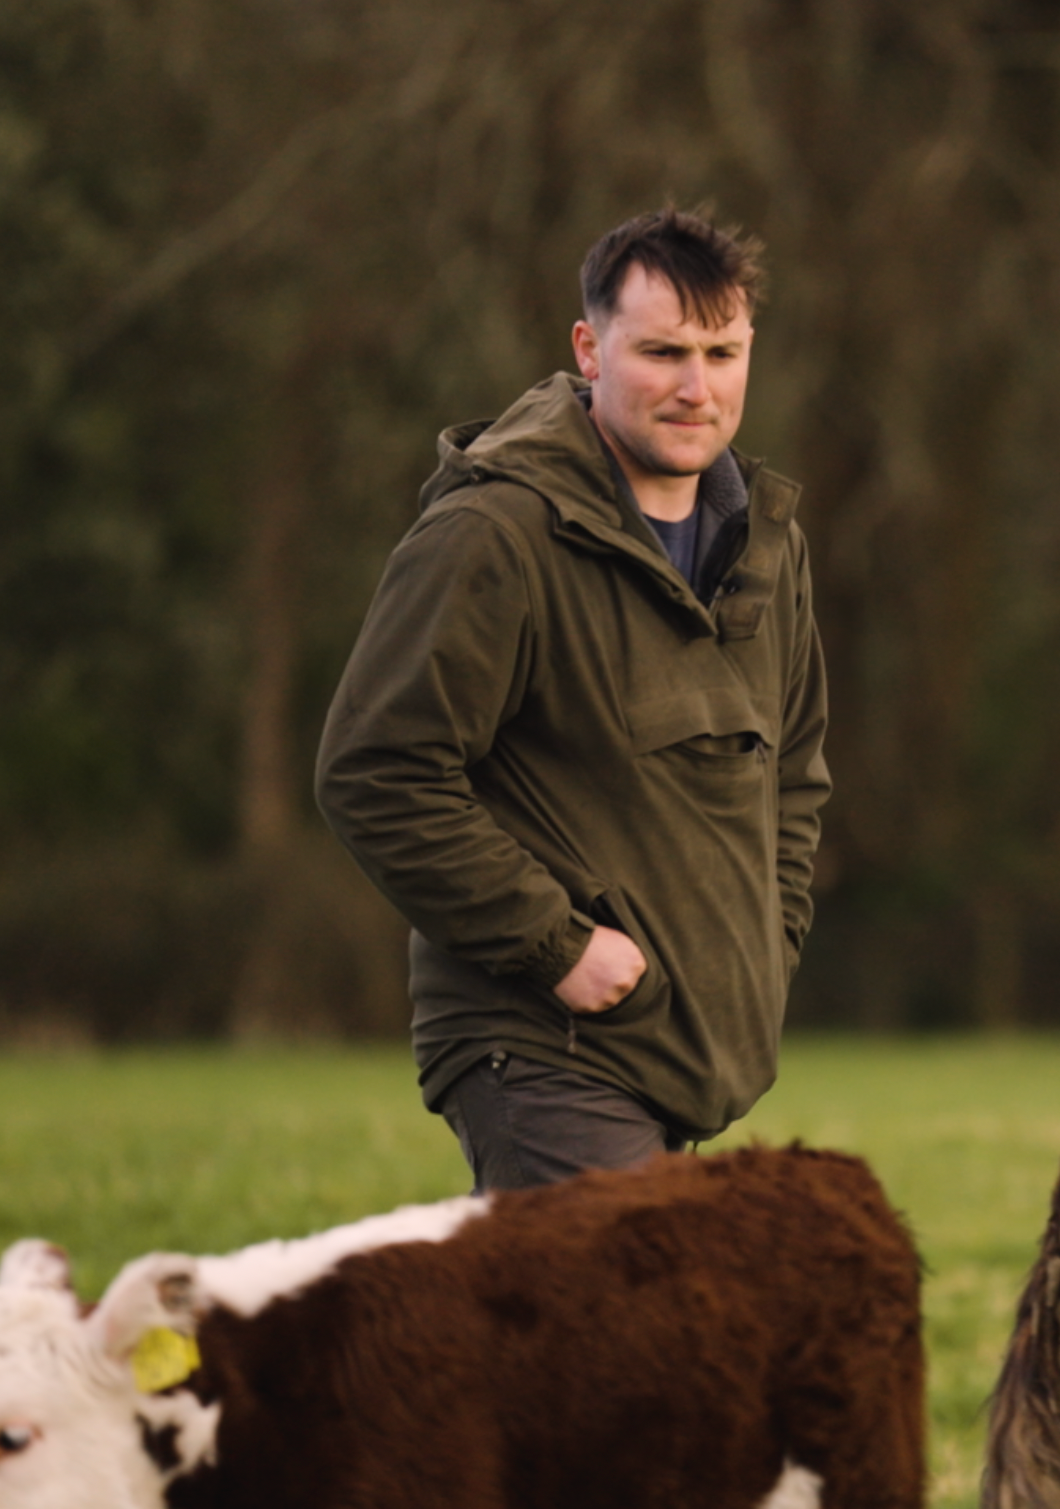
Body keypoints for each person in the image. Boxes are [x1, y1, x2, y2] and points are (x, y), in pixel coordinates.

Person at [315, 208, 827, 1188]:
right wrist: (555, 945)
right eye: (664, 351)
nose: (697, 385)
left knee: (598, 1335)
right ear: (589, 348)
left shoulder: (770, 542)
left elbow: (793, 774)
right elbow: (376, 770)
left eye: (723, 352)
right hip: (543, 1038)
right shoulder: (494, 533)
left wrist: (765, 943)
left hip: (681, 1040)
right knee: (615, 1331)